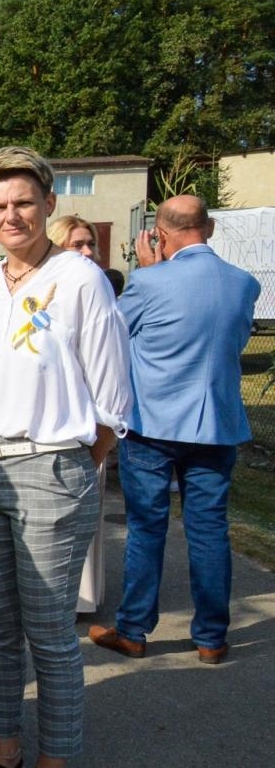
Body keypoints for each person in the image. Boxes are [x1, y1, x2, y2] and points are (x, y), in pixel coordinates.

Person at [0, 147, 130, 768]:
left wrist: (74, 467)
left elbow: (111, 401)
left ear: (49, 203)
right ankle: (4, 757)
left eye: (24, 201)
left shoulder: (80, 279)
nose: (12, 215)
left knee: (49, 633)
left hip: (50, 467)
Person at [90, 195, 259, 664]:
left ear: (159, 235)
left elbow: (115, 340)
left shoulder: (148, 281)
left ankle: (134, 630)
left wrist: (151, 271)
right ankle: (211, 637)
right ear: (210, 228)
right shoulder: (243, 283)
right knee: (210, 530)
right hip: (217, 424)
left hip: (154, 424)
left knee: (147, 529)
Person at [48, 213, 111, 612]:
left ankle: (85, 598)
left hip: (90, 429)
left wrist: (99, 447)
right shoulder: (47, 294)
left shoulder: (98, 288)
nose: (87, 251)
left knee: (88, 522)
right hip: (57, 430)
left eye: (91, 244)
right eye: (77, 244)